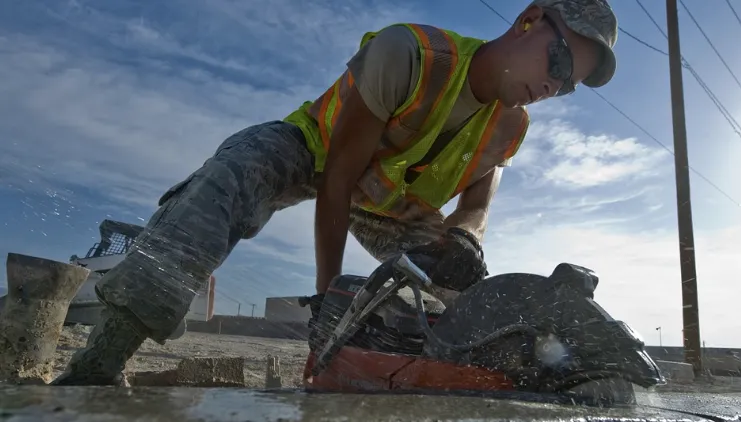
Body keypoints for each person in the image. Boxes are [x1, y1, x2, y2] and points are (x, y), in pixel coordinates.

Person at [53, 0, 618, 385]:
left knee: (460, 284)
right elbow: (338, 178)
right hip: (315, 152)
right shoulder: (413, 54)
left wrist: (465, 240)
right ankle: (102, 358)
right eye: (559, 59)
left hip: (389, 202)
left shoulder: (510, 126)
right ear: (529, 19)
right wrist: (326, 305)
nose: (552, 85)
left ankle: (447, 373)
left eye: (567, 85)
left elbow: (475, 207)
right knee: (229, 178)